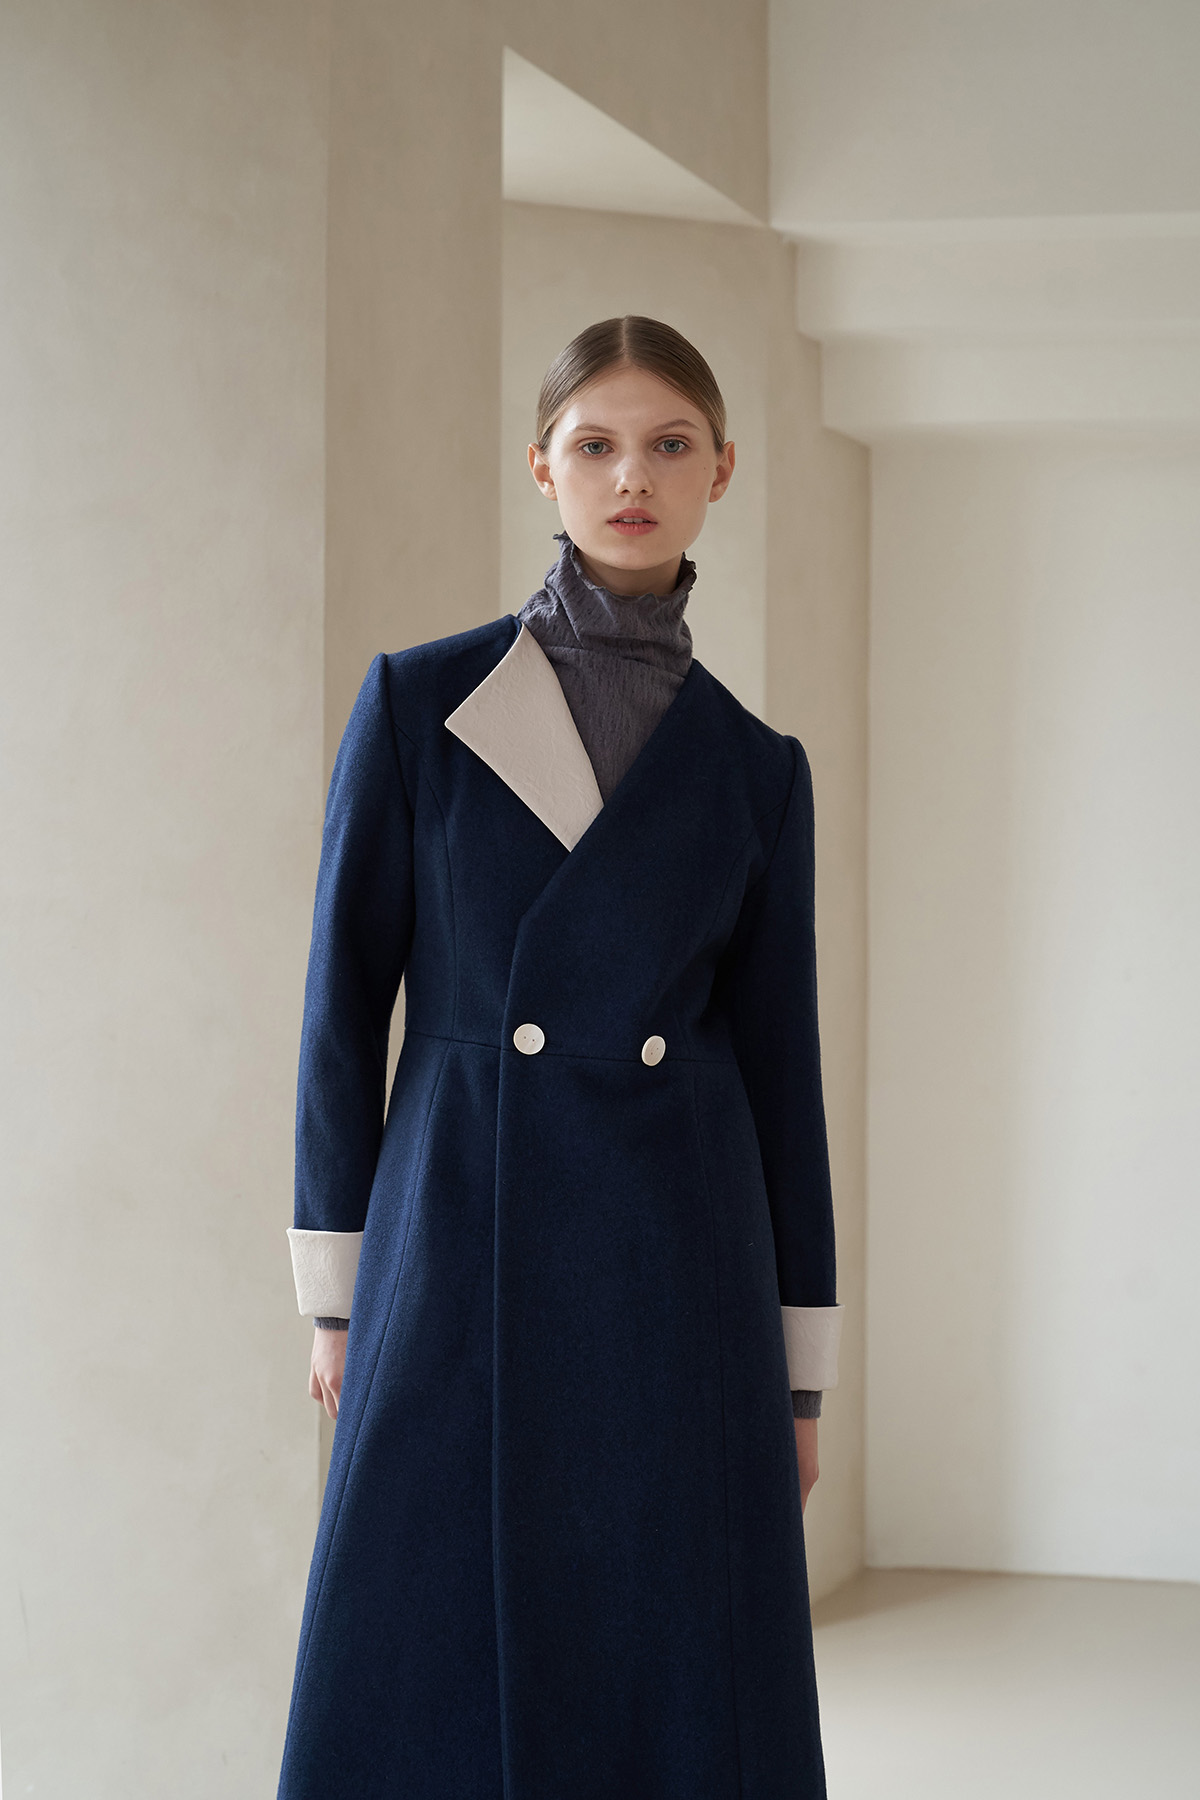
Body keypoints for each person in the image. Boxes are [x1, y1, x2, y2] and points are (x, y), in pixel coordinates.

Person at [277, 315, 843, 1799]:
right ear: (543, 467)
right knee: (426, 1645)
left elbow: (782, 1078)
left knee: (669, 1656)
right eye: (595, 444)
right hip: (458, 1233)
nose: (631, 477)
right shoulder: (419, 705)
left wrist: (798, 1382)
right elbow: (342, 1010)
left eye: (668, 445)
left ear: (722, 469)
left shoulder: (756, 770)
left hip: (680, 1261)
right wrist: (339, 1298)